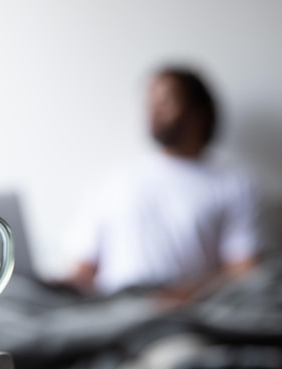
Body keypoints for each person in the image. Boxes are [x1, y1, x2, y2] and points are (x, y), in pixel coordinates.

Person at [60, 65, 266, 300]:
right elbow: (84, 270)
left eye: (166, 102)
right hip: (113, 307)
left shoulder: (234, 184)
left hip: (187, 309)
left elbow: (243, 271)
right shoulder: (115, 180)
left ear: (198, 113)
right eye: (150, 102)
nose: (153, 111)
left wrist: (188, 295)